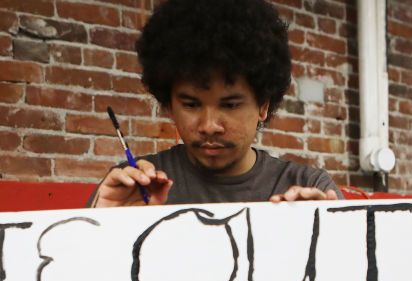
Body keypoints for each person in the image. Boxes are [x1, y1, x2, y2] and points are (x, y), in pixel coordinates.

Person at [88, 0, 340, 207]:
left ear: (263, 105)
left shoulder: (310, 188)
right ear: (169, 105)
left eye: (229, 105)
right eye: (191, 105)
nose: (209, 126)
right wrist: (106, 227)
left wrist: (326, 236)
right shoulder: (129, 189)